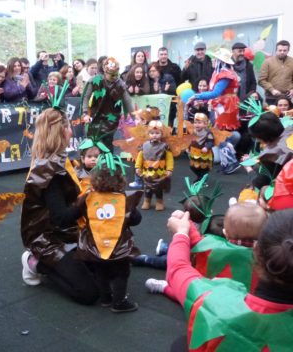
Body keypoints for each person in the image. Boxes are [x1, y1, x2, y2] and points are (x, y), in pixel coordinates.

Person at [163, 209, 293, 351]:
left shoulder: (210, 299)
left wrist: (181, 233)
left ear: (256, 251)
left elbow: (178, 268)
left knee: (179, 346)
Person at [20, 108, 99, 305]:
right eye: (69, 127)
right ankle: (36, 264)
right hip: (46, 238)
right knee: (88, 293)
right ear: (61, 131)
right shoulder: (48, 169)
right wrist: (87, 199)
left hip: (65, 232)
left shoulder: (60, 160)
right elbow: (61, 217)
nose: (72, 131)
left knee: (103, 272)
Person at [77, 154, 142, 312]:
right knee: (122, 271)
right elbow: (135, 219)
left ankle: (105, 298)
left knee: (100, 270)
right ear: (120, 180)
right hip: (118, 246)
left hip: (95, 244)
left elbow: (80, 212)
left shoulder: (89, 198)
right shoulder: (123, 199)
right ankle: (119, 302)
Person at [188, 48, 241, 174]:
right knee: (221, 133)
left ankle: (231, 162)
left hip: (225, 107)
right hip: (223, 105)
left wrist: (197, 96)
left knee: (219, 134)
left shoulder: (225, 75)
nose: (213, 60)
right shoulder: (220, 73)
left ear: (220, 61)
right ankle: (228, 160)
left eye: (215, 59)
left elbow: (216, 93)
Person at [82, 57, 134, 151]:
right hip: (95, 116)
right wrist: (85, 112)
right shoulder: (95, 80)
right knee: (93, 142)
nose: (114, 77)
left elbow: (127, 101)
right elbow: (85, 97)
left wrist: (135, 116)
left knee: (107, 144)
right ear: (105, 72)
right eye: (111, 74)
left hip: (111, 118)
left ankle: (107, 163)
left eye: (116, 74)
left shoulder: (120, 84)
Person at [135, 120, 173, 211]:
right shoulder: (144, 146)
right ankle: (147, 201)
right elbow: (140, 157)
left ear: (161, 133)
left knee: (158, 188)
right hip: (147, 171)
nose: (154, 135)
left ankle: (159, 202)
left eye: (157, 133)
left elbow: (169, 158)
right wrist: (138, 167)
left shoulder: (165, 146)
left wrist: (169, 169)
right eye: (152, 133)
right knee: (147, 188)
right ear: (148, 134)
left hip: (159, 172)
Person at [258, 40, 293, 105]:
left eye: (285, 50)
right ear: (276, 50)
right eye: (280, 50)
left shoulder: (292, 62)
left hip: (287, 98)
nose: (282, 52)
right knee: (271, 115)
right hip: (271, 97)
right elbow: (261, 80)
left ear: (288, 51)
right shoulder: (267, 62)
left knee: (286, 115)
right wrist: (272, 89)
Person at [189, 113, 214, 181]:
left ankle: (201, 179)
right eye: (195, 122)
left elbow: (211, 141)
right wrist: (188, 147)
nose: (197, 124)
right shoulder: (193, 132)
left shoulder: (208, 133)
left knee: (203, 167)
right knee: (193, 167)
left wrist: (207, 147)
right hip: (195, 154)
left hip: (204, 155)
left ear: (205, 124)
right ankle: (200, 177)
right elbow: (190, 141)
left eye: (199, 123)